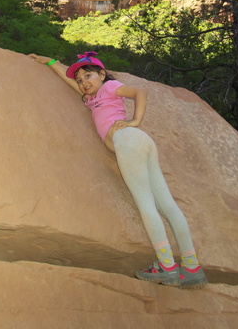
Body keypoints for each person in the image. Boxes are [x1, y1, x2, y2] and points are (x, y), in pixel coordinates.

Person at [28, 51, 208, 289]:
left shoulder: (110, 86)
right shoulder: (91, 98)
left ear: (102, 74)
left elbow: (139, 92)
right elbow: (68, 79)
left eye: (88, 76)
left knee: (146, 205)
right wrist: (50, 62)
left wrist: (135, 121)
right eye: (81, 80)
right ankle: (192, 267)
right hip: (139, 142)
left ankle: (166, 266)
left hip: (128, 139)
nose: (84, 83)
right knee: (166, 205)